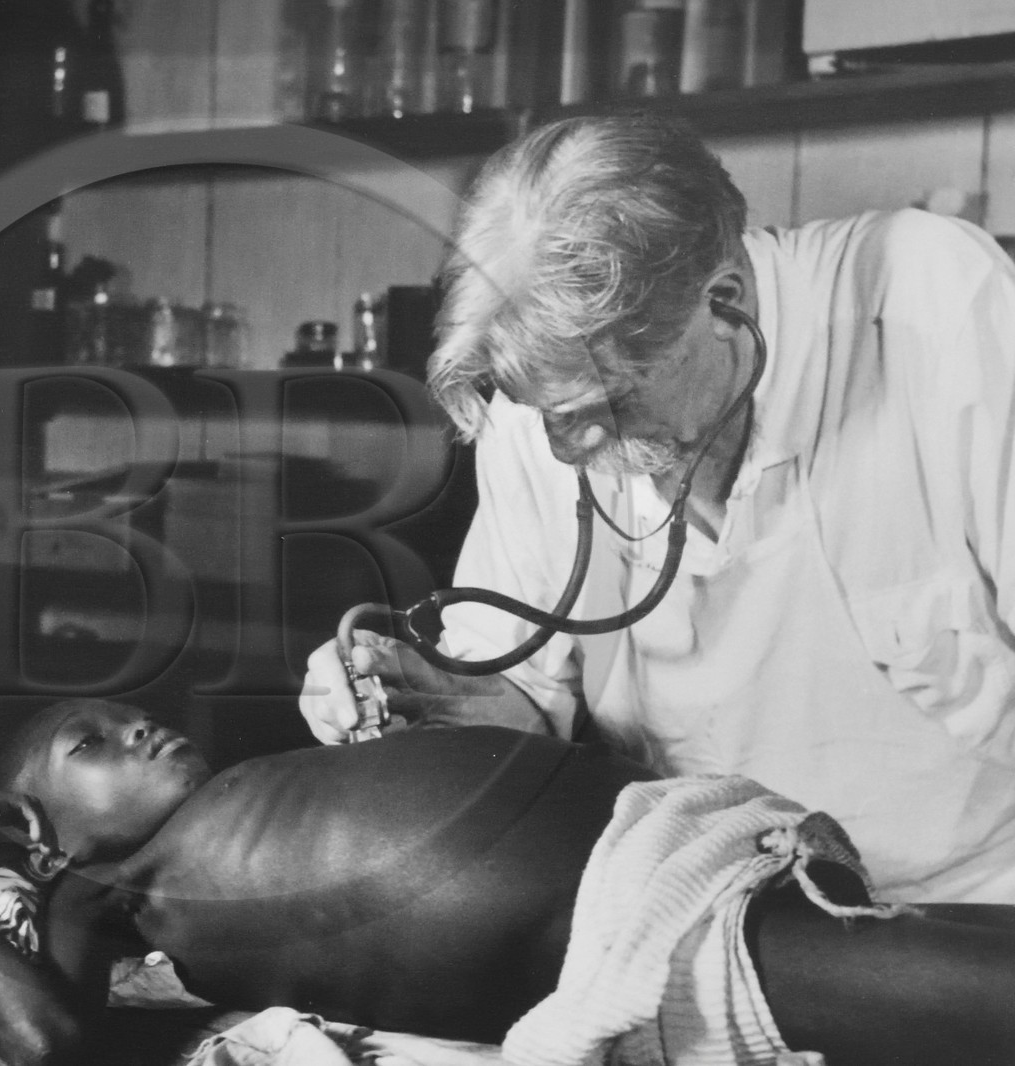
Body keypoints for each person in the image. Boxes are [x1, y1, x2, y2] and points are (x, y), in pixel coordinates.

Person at [299, 112, 1015, 905]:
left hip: (972, 916)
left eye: (605, 404)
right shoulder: (544, 399)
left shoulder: (930, 305)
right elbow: (525, 709)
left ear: (724, 303)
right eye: (545, 414)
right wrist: (427, 700)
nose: (565, 449)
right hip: (702, 909)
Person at [0, 699, 1015, 1066]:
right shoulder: (99, 893)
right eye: (94, 746)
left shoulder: (241, 790)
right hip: (652, 941)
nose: (141, 729)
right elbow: (44, 1042)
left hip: (688, 852)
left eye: (129, 715)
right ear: (36, 829)